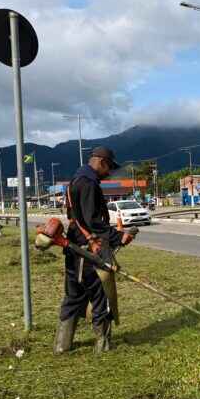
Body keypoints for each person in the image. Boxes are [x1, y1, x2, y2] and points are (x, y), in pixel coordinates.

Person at [55, 147, 135, 354]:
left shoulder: (75, 180)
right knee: (101, 296)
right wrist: (119, 236)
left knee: (73, 296)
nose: (109, 173)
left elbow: (77, 219)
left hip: (73, 249)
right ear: (101, 162)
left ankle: (62, 346)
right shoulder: (89, 183)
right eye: (108, 167)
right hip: (90, 251)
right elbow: (92, 221)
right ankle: (103, 345)